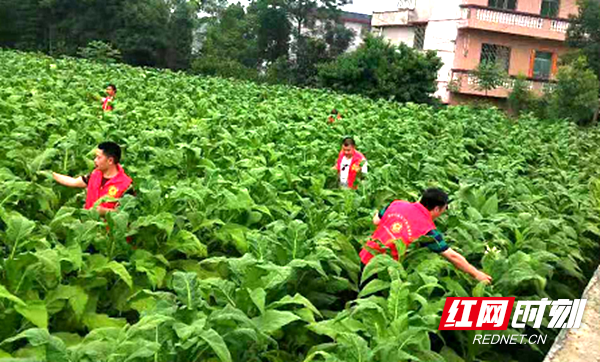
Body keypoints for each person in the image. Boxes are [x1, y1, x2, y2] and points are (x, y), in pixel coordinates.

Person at [359, 188, 493, 284]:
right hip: (382, 271)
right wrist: (476, 274)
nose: (444, 212)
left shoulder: (397, 204)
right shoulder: (427, 230)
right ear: (436, 209)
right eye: (444, 208)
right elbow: (452, 256)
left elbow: (376, 220)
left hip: (365, 256)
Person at [52, 142, 133, 215]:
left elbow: (126, 214)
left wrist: (105, 212)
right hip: (88, 228)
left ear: (110, 161)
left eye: (98, 157)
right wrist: (50, 174)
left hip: (108, 230)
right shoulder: (94, 175)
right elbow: (74, 182)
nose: (95, 160)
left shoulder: (126, 185)